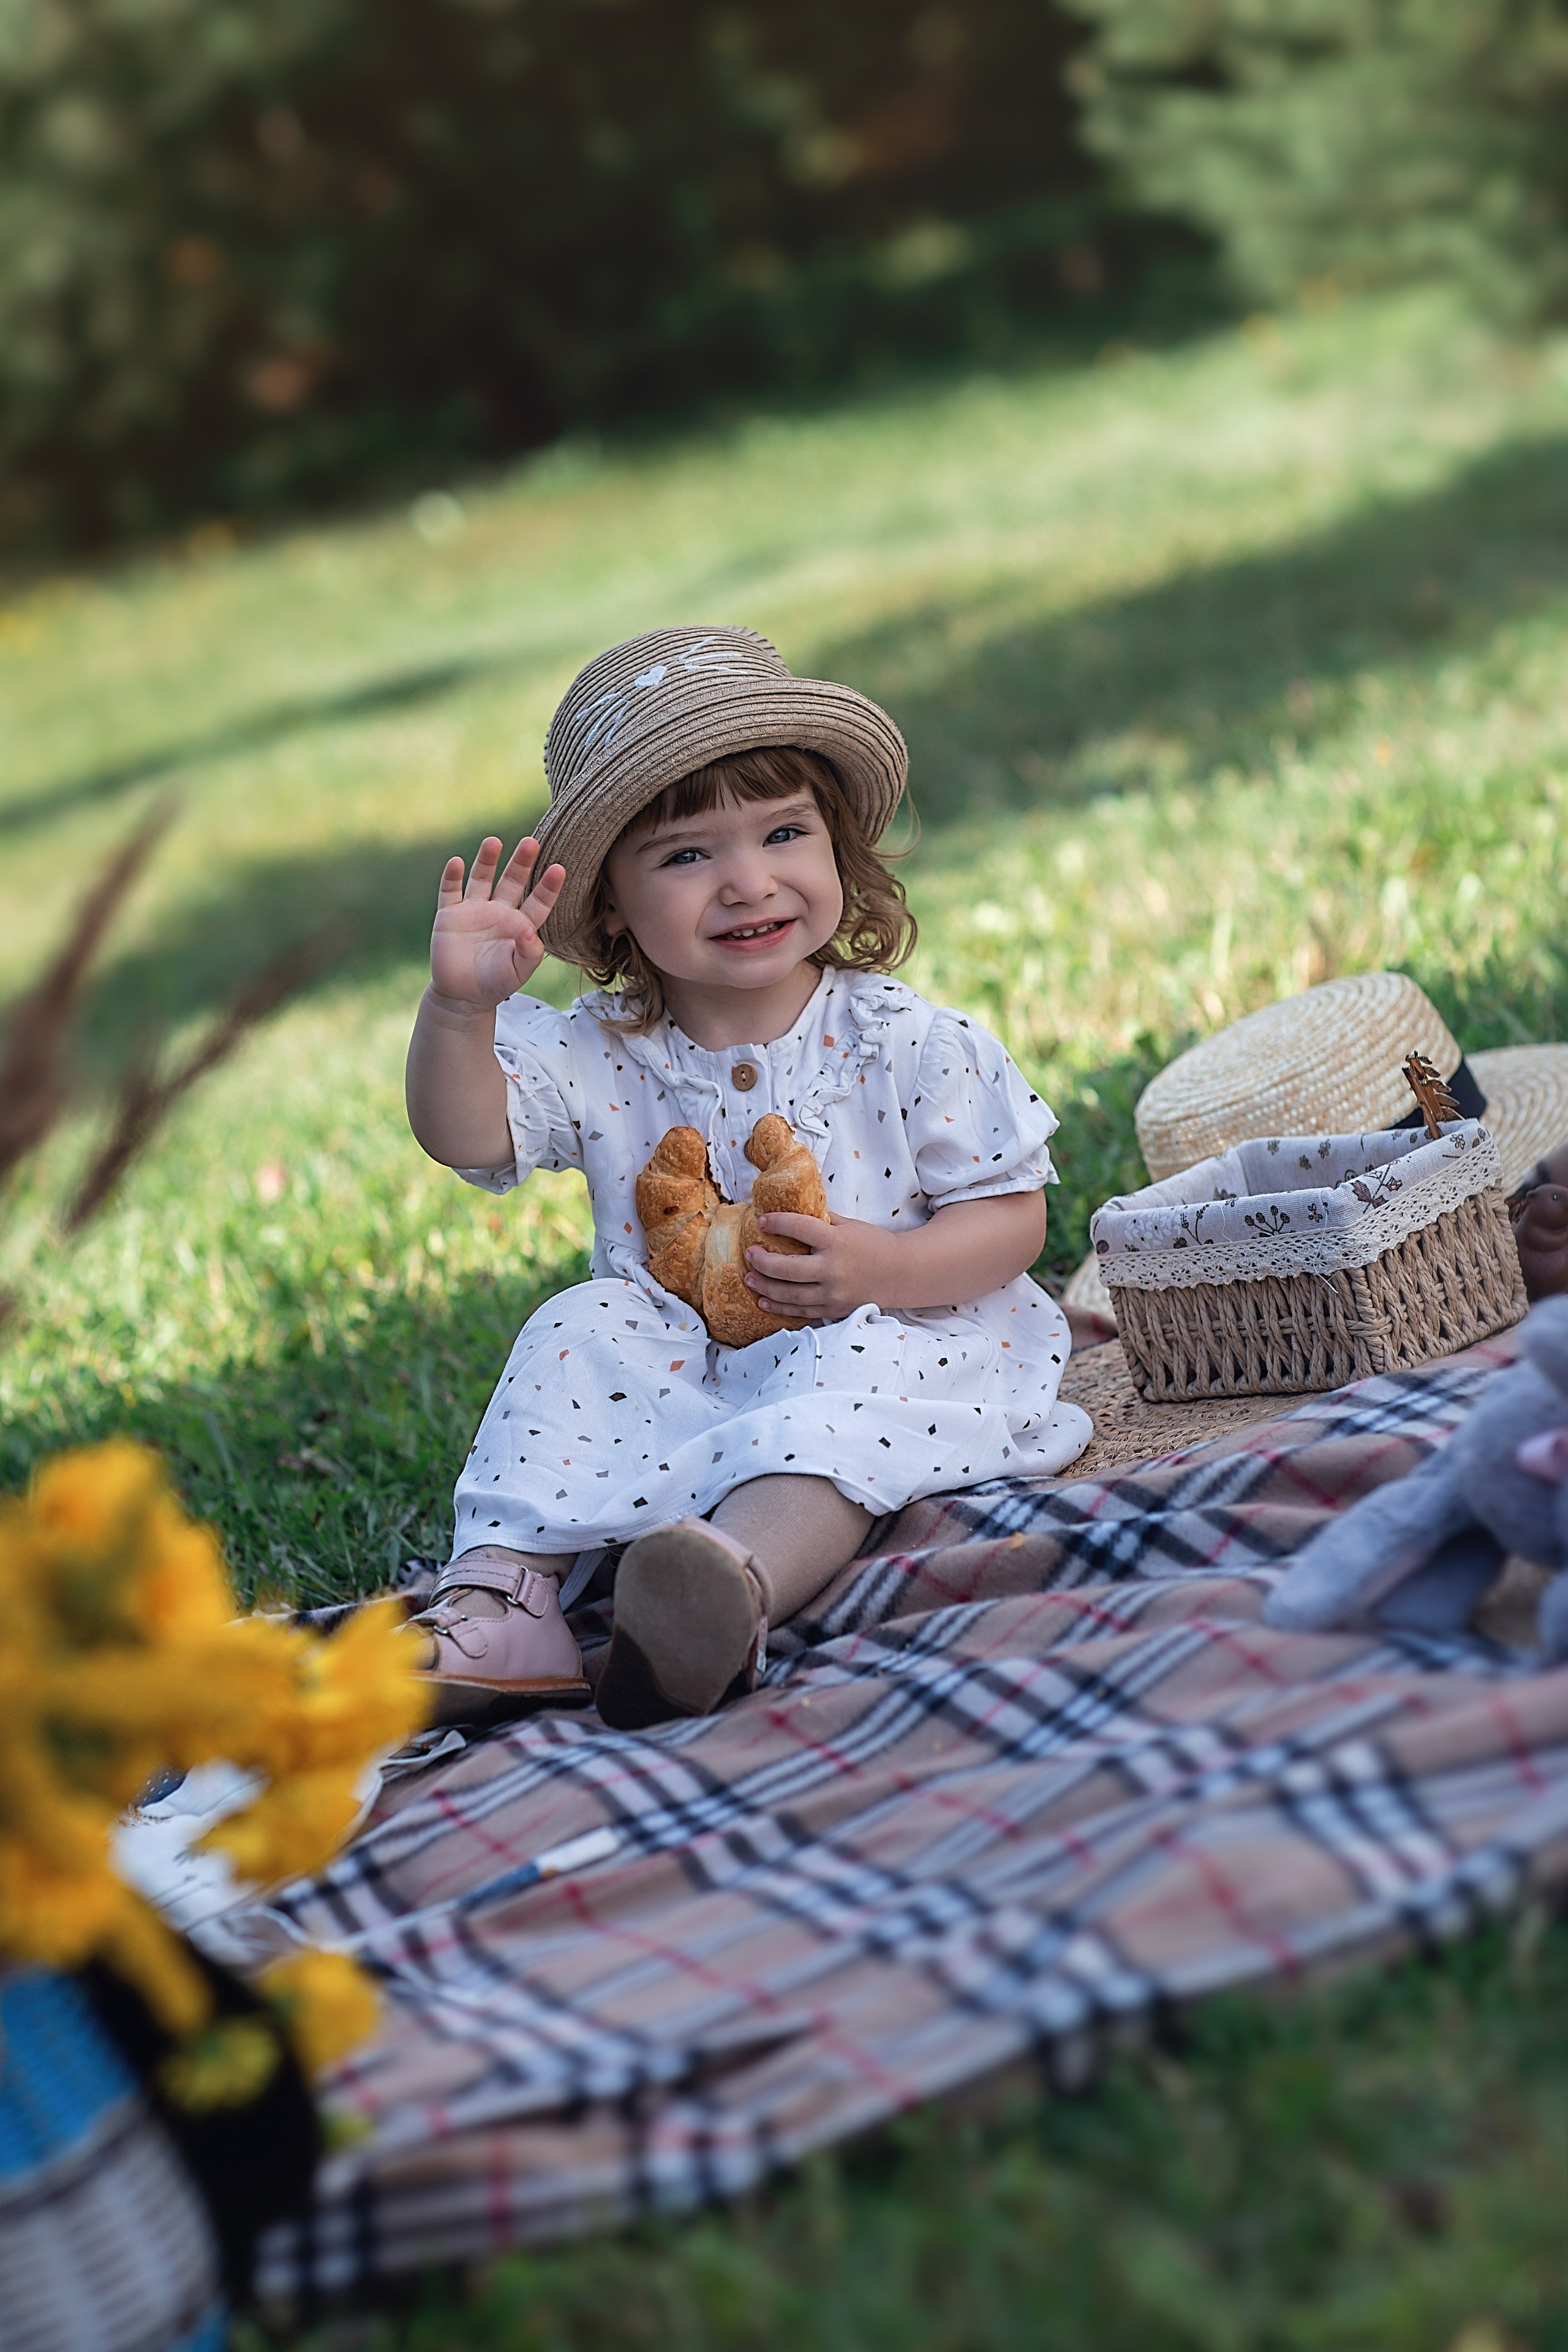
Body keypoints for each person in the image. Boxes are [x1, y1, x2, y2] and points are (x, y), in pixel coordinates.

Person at [404, 625, 1090, 1730]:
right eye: (686, 856)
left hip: (895, 1336)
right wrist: (459, 1010)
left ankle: (723, 1587)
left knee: (836, 1411)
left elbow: (1013, 1219)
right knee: (577, 1327)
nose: (746, 881)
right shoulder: (599, 1050)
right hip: (684, 1368)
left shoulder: (903, 1040)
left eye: (783, 832)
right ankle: (507, 1602)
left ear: (837, 848)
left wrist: (888, 1266)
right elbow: (464, 1134)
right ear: (614, 904)